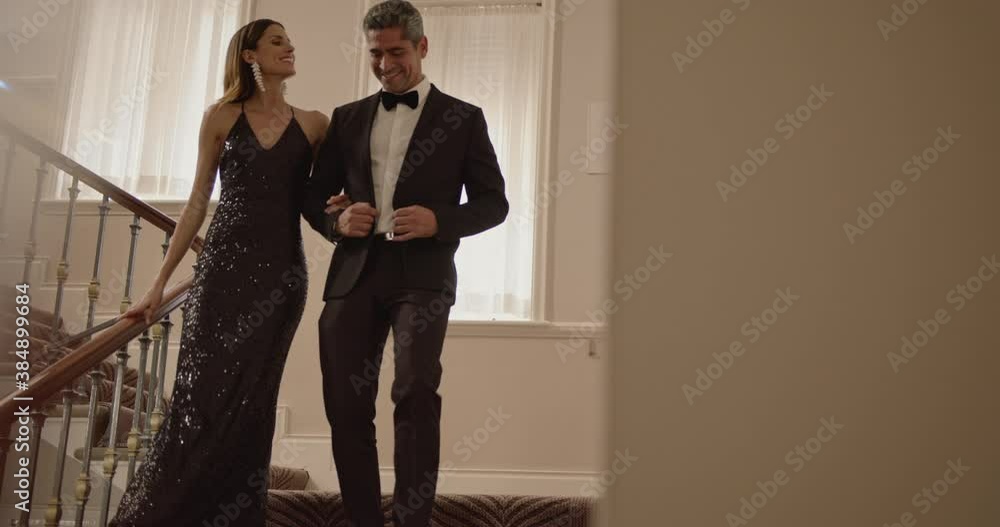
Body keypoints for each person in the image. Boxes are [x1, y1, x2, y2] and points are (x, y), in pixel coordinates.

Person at [112, 19, 333, 526]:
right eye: (278, 41)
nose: (290, 47)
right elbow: (194, 206)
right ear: (250, 55)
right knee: (199, 398)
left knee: (253, 405)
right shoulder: (220, 117)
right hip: (221, 274)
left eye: (290, 41)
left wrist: (341, 213)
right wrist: (158, 286)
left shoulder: (316, 124)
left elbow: (317, 201)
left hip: (281, 279)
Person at [302, 2, 509, 526]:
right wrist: (337, 224)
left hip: (423, 276)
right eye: (375, 53)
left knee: (414, 391)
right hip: (353, 276)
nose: (385, 63)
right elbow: (312, 198)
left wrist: (440, 221)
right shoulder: (347, 118)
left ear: (422, 46)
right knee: (346, 405)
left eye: (396, 51)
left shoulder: (464, 118)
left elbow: (494, 203)